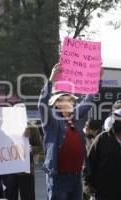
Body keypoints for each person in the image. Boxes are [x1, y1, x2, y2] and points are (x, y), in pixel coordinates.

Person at [38, 64, 103, 200]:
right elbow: (42, 104)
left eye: (72, 100)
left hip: (75, 174)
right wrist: (51, 80)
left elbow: (89, 100)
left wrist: (97, 79)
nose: (72, 103)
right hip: (58, 176)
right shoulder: (51, 121)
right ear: (57, 104)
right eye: (67, 100)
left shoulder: (74, 117)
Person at [84, 108, 121, 200]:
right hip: (104, 190)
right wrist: (87, 183)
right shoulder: (102, 138)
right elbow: (90, 162)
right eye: (115, 120)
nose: (116, 123)